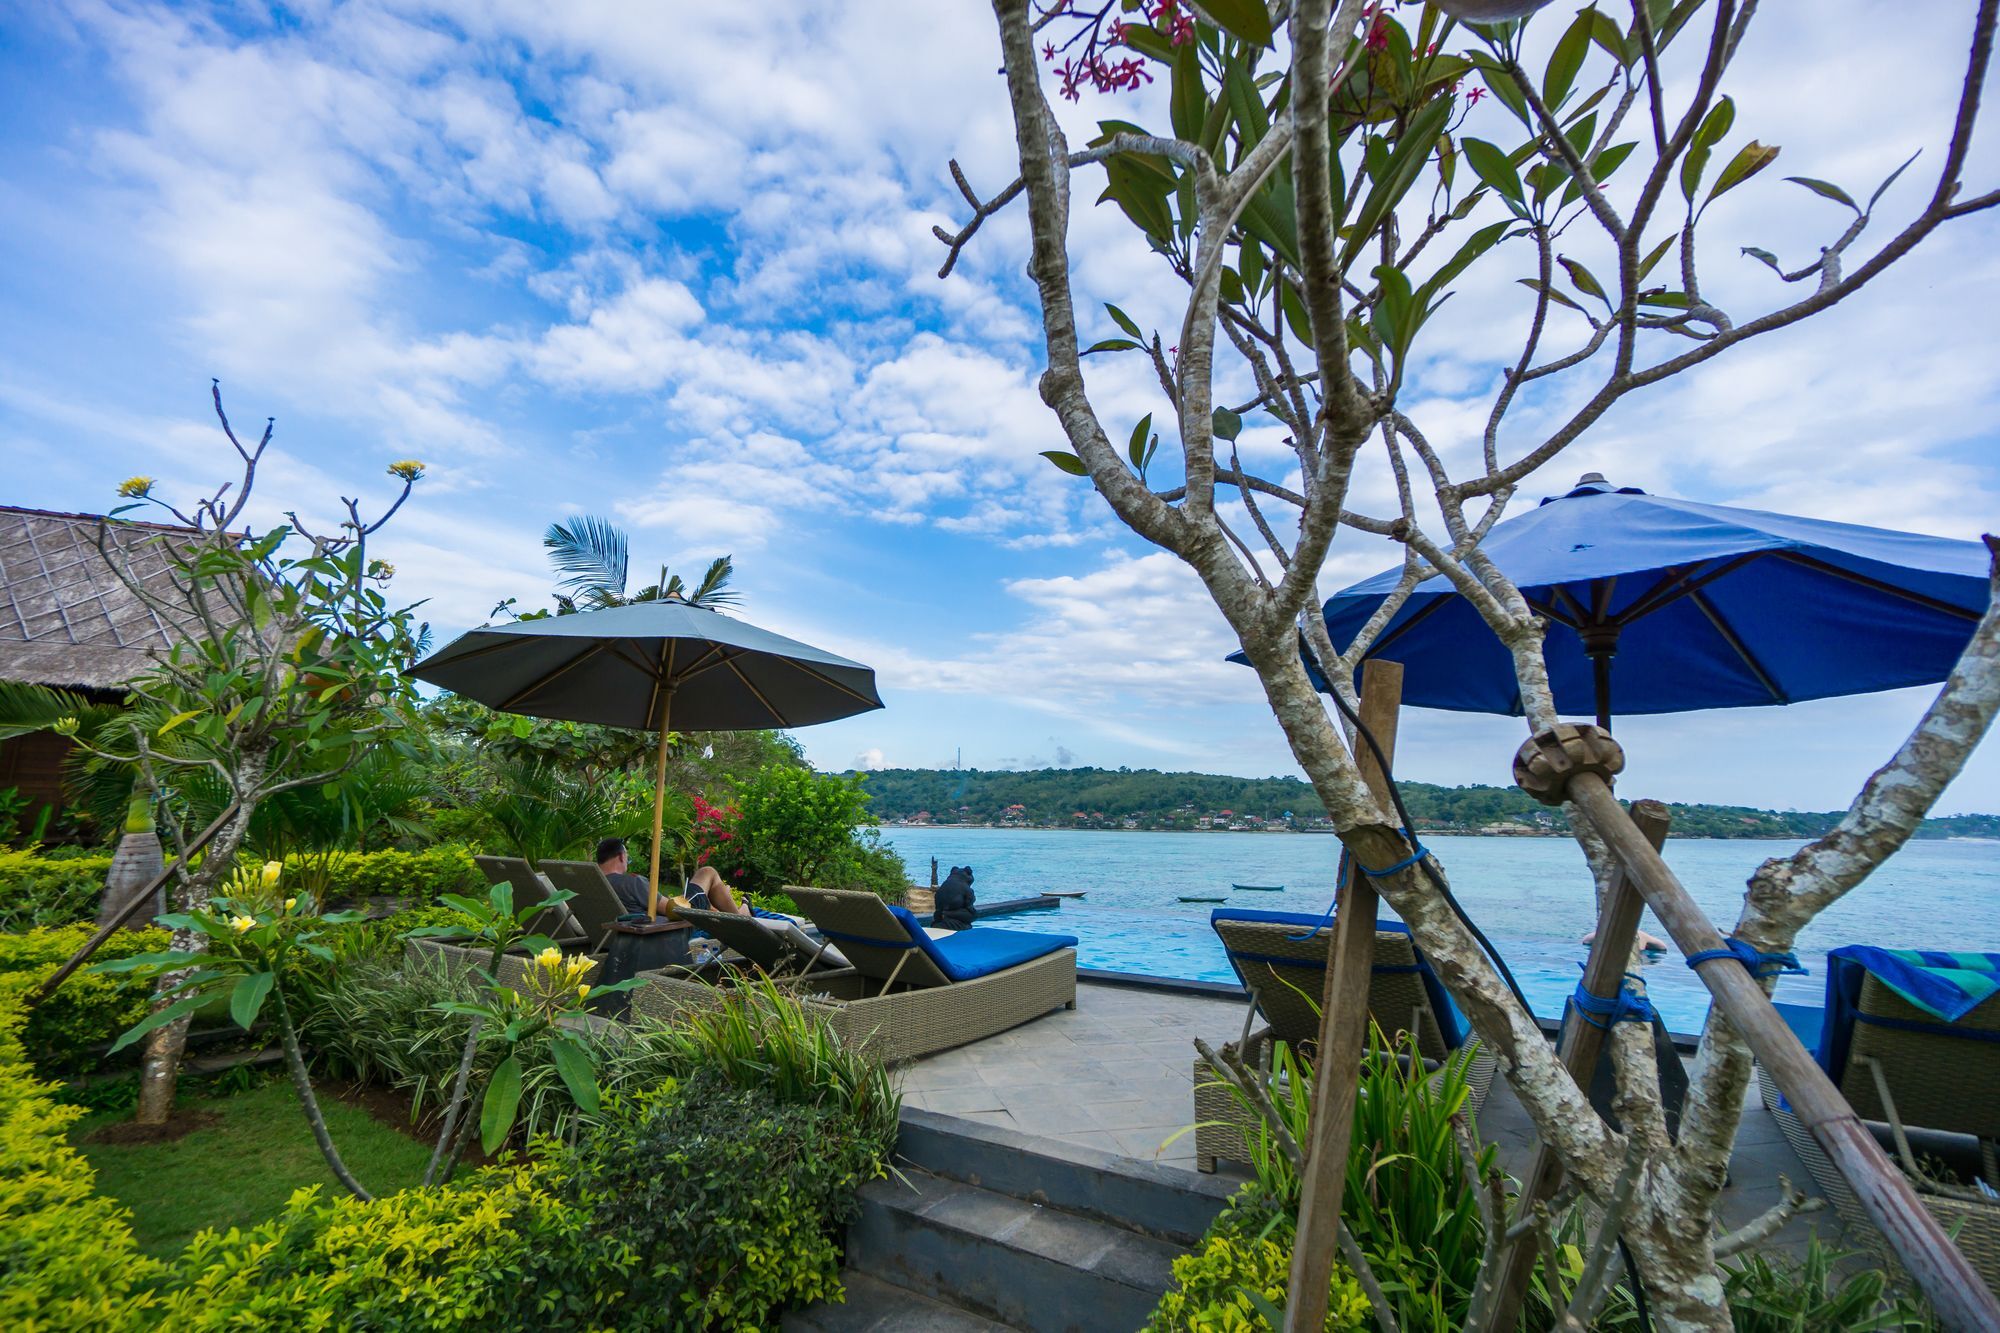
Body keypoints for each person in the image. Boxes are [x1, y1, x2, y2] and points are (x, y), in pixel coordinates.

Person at [594, 837, 754, 918]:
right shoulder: (631, 882)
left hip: (624, 934)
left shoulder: (592, 884)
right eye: (627, 859)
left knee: (714, 891)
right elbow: (671, 909)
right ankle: (742, 916)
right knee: (708, 872)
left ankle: (734, 907)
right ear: (621, 857)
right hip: (675, 923)